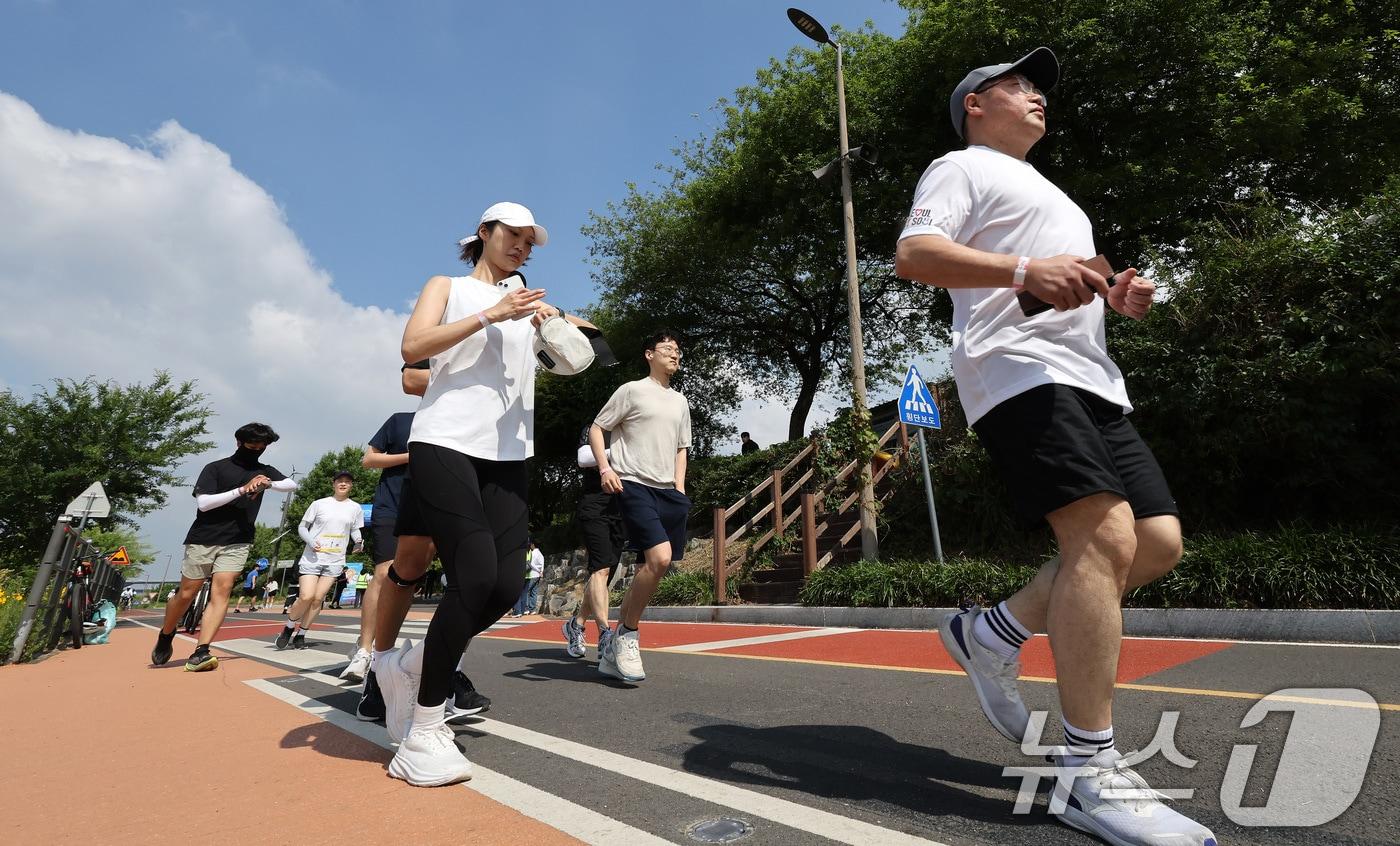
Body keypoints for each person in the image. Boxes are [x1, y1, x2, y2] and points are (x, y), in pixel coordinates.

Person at [893, 48, 1215, 846]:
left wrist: (1119, 295)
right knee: (1101, 538)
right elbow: (914, 256)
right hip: (1016, 372)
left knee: (1156, 542)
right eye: (1019, 85)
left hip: (1094, 378)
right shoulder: (958, 167)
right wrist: (1022, 269)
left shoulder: (1058, 197)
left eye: (1040, 88)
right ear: (975, 104)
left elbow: (1063, 283)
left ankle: (990, 634)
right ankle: (1087, 772)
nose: (1037, 96)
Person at [376, 201, 599, 786]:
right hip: (445, 441)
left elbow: (573, 359)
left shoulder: (528, 307)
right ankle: (423, 731)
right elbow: (412, 348)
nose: (523, 248)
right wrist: (493, 313)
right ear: (484, 233)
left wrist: (552, 326)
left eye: (531, 243)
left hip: (508, 453)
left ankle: (410, 664)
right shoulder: (447, 285)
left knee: (504, 584)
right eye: (515, 237)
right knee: (472, 576)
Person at [352, 364, 491, 726]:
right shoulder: (400, 420)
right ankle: (375, 670)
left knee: (469, 579)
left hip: (447, 498)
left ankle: (448, 672)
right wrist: (417, 455)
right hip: (394, 505)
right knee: (390, 574)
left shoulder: (467, 414)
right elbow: (369, 459)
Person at [151, 422, 297, 671]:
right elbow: (204, 503)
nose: (257, 450)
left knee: (223, 590)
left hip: (238, 540)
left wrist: (267, 483)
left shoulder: (264, 470)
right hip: (203, 538)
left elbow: (291, 485)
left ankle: (202, 650)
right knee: (186, 594)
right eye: (253, 445)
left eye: (262, 447)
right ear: (239, 442)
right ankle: (166, 634)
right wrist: (242, 490)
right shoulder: (215, 468)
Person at [591, 331, 692, 683]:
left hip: (668, 491)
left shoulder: (680, 401)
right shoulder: (631, 390)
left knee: (653, 568)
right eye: (668, 349)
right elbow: (597, 428)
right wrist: (605, 468)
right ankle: (629, 635)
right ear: (649, 354)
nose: (674, 355)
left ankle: (613, 645)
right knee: (660, 558)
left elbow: (682, 446)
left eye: (678, 351)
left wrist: (679, 487)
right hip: (632, 483)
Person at [276, 471, 364, 650]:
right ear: (333, 484)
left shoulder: (355, 508)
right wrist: (310, 540)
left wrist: (359, 541)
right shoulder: (319, 504)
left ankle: (302, 634)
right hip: (312, 557)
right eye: (340, 481)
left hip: (335, 559)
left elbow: (355, 529)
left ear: (351, 486)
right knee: (306, 596)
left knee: (318, 599)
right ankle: (289, 627)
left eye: (347, 482)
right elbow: (302, 527)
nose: (343, 484)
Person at [561, 426, 626, 660]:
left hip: (621, 508)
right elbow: (583, 458)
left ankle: (576, 624)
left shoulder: (633, 429)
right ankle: (605, 633)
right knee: (601, 569)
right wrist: (621, 451)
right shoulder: (595, 428)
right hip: (595, 506)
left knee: (605, 574)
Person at [510, 542, 544, 616]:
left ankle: (523, 609)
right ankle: (530, 609)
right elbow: (541, 563)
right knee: (532, 592)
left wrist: (539, 571)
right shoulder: (534, 553)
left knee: (523, 593)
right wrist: (541, 571)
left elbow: (530, 564)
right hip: (530, 575)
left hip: (529, 574)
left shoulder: (530, 552)